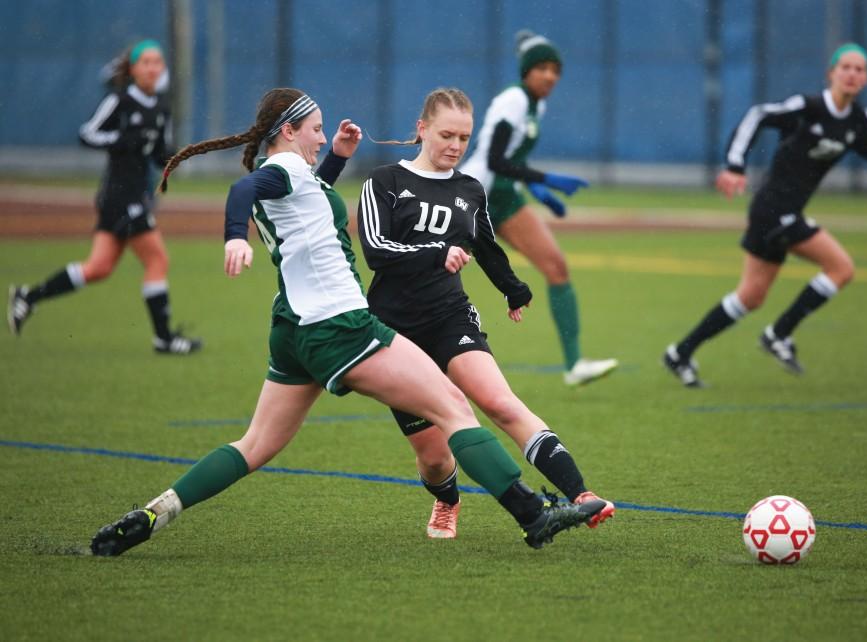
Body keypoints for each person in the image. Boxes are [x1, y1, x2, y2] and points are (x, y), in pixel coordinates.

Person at [89, 88, 606, 556]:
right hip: (341, 326)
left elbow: (307, 198)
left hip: (292, 328)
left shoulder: (298, 179)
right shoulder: (282, 172)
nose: (321, 135)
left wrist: (336, 155)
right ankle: (535, 515)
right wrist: (234, 235)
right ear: (288, 131)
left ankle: (157, 512)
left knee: (254, 445)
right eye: (316, 128)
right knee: (454, 408)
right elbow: (243, 191)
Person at [359, 88, 615, 539]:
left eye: (464, 137)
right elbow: (378, 251)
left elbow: (486, 246)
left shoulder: (469, 189)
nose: (456, 146)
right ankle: (446, 499)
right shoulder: (384, 182)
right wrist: (437, 252)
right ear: (422, 129)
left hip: (450, 317)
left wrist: (513, 289)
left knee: (500, 403)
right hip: (395, 332)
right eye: (446, 134)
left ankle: (581, 495)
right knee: (435, 455)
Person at [663, 43, 867, 387]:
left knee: (750, 296)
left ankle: (680, 352)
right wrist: (735, 165)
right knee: (841, 268)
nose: (853, 74)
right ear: (832, 73)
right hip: (773, 210)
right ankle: (779, 333)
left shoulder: (857, 120)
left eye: (860, 69)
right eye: (846, 67)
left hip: (783, 213)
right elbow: (759, 115)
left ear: (866, 78)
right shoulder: (808, 107)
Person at [7, 39, 200, 354]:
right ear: (133, 69)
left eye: (157, 62)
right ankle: (164, 339)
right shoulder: (120, 101)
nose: (153, 67)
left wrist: (172, 158)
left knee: (98, 267)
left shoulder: (163, 107)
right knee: (157, 259)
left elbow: (158, 153)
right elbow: (87, 133)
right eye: (146, 62)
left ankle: (27, 297)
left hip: (135, 194)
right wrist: (120, 139)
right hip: (120, 196)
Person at [461, 30, 618, 387]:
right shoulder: (513, 100)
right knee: (430, 271)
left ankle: (575, 364)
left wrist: (537, 190)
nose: (551, 76)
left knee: (556, 266)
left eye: (556, 70)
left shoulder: (536, 104)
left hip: (505, 196)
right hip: (475, 197)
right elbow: (496, 159)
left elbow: (514, 159)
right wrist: (547, 178)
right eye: (543, 68)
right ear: (526, 71)